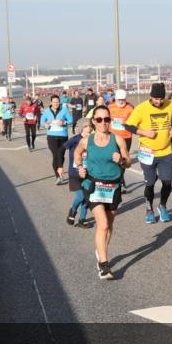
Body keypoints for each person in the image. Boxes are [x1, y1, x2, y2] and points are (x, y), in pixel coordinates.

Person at [76, 104, 131, 279]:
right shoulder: (87, 141)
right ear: (93, 121)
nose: (103, 122)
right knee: (103, 224)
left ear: (110, 120)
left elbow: (128, 162)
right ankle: (104, 266)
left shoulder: (118, 139)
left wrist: (121, 160)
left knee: (109, 224)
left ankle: (101, 252)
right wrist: (80, 167)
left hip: (113, 187)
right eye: (99, 119)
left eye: (106, 119)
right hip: (93, 186)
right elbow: (77, 153)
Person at [126, 83, 172, 224]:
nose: (159, 102)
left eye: (161, 99)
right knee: (150, 183)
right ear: (150, 96)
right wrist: (144, 132)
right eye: (156, 99)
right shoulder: (141, 108)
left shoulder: (170, 105)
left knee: (167, 181)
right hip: (147, 152)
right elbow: (128, 126)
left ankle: (162, 206)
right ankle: (149, 210)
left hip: (166, 151)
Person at [39, 94, 74, 185]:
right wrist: (45, 124)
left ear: (59, 102)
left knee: (61, 154)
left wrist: (64, 122)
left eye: (57, 102)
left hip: (63, 136)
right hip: (51, 136)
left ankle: (60, 169)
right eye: (54, 102)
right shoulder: (47, 111)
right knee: (55, 155)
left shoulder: (64, 109)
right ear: (51, 102)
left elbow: (71, 120)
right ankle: (58, 176)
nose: (56, 104)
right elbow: (42, 121)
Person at [65, 123, 94, 227]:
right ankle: (73, 211)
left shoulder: (93, 141)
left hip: (88, 173)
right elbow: (62, 149)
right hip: (75, 173)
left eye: (90, 132)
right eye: (86, 132)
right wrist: (59, 165)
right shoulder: (75, 140)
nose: (88, 134)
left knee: (87, 197)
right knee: (81, 196)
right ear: (81, 130)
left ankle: (82, 220)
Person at [108, 89, 135, 190]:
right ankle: (115, 179)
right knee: (113, 159)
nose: (121, 101)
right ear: (115, 99)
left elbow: (135, 122)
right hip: (113, 137)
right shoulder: (110, 107)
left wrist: (126, 122)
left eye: (123, 99)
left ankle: (121, 179)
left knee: (124, 159)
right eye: (119, 99)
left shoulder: (130, 108)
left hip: (126, 137)